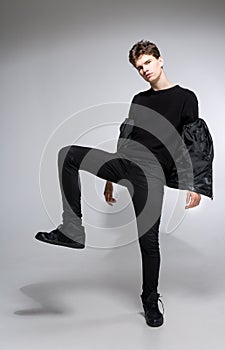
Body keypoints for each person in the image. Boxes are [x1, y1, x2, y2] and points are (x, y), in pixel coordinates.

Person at [35, 40, 213, 327]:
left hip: (152, 174)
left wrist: (195, 183)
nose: (144, 70)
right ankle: (72, 229)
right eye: (139, 67)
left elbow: (194, 140)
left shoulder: (185, 97)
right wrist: (110, 177)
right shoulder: (139, 100)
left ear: (160, 60)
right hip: (124, 165)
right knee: (67, 154)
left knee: (149, 241)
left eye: (148, 63)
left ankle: (150, 298)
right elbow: (129, 137)